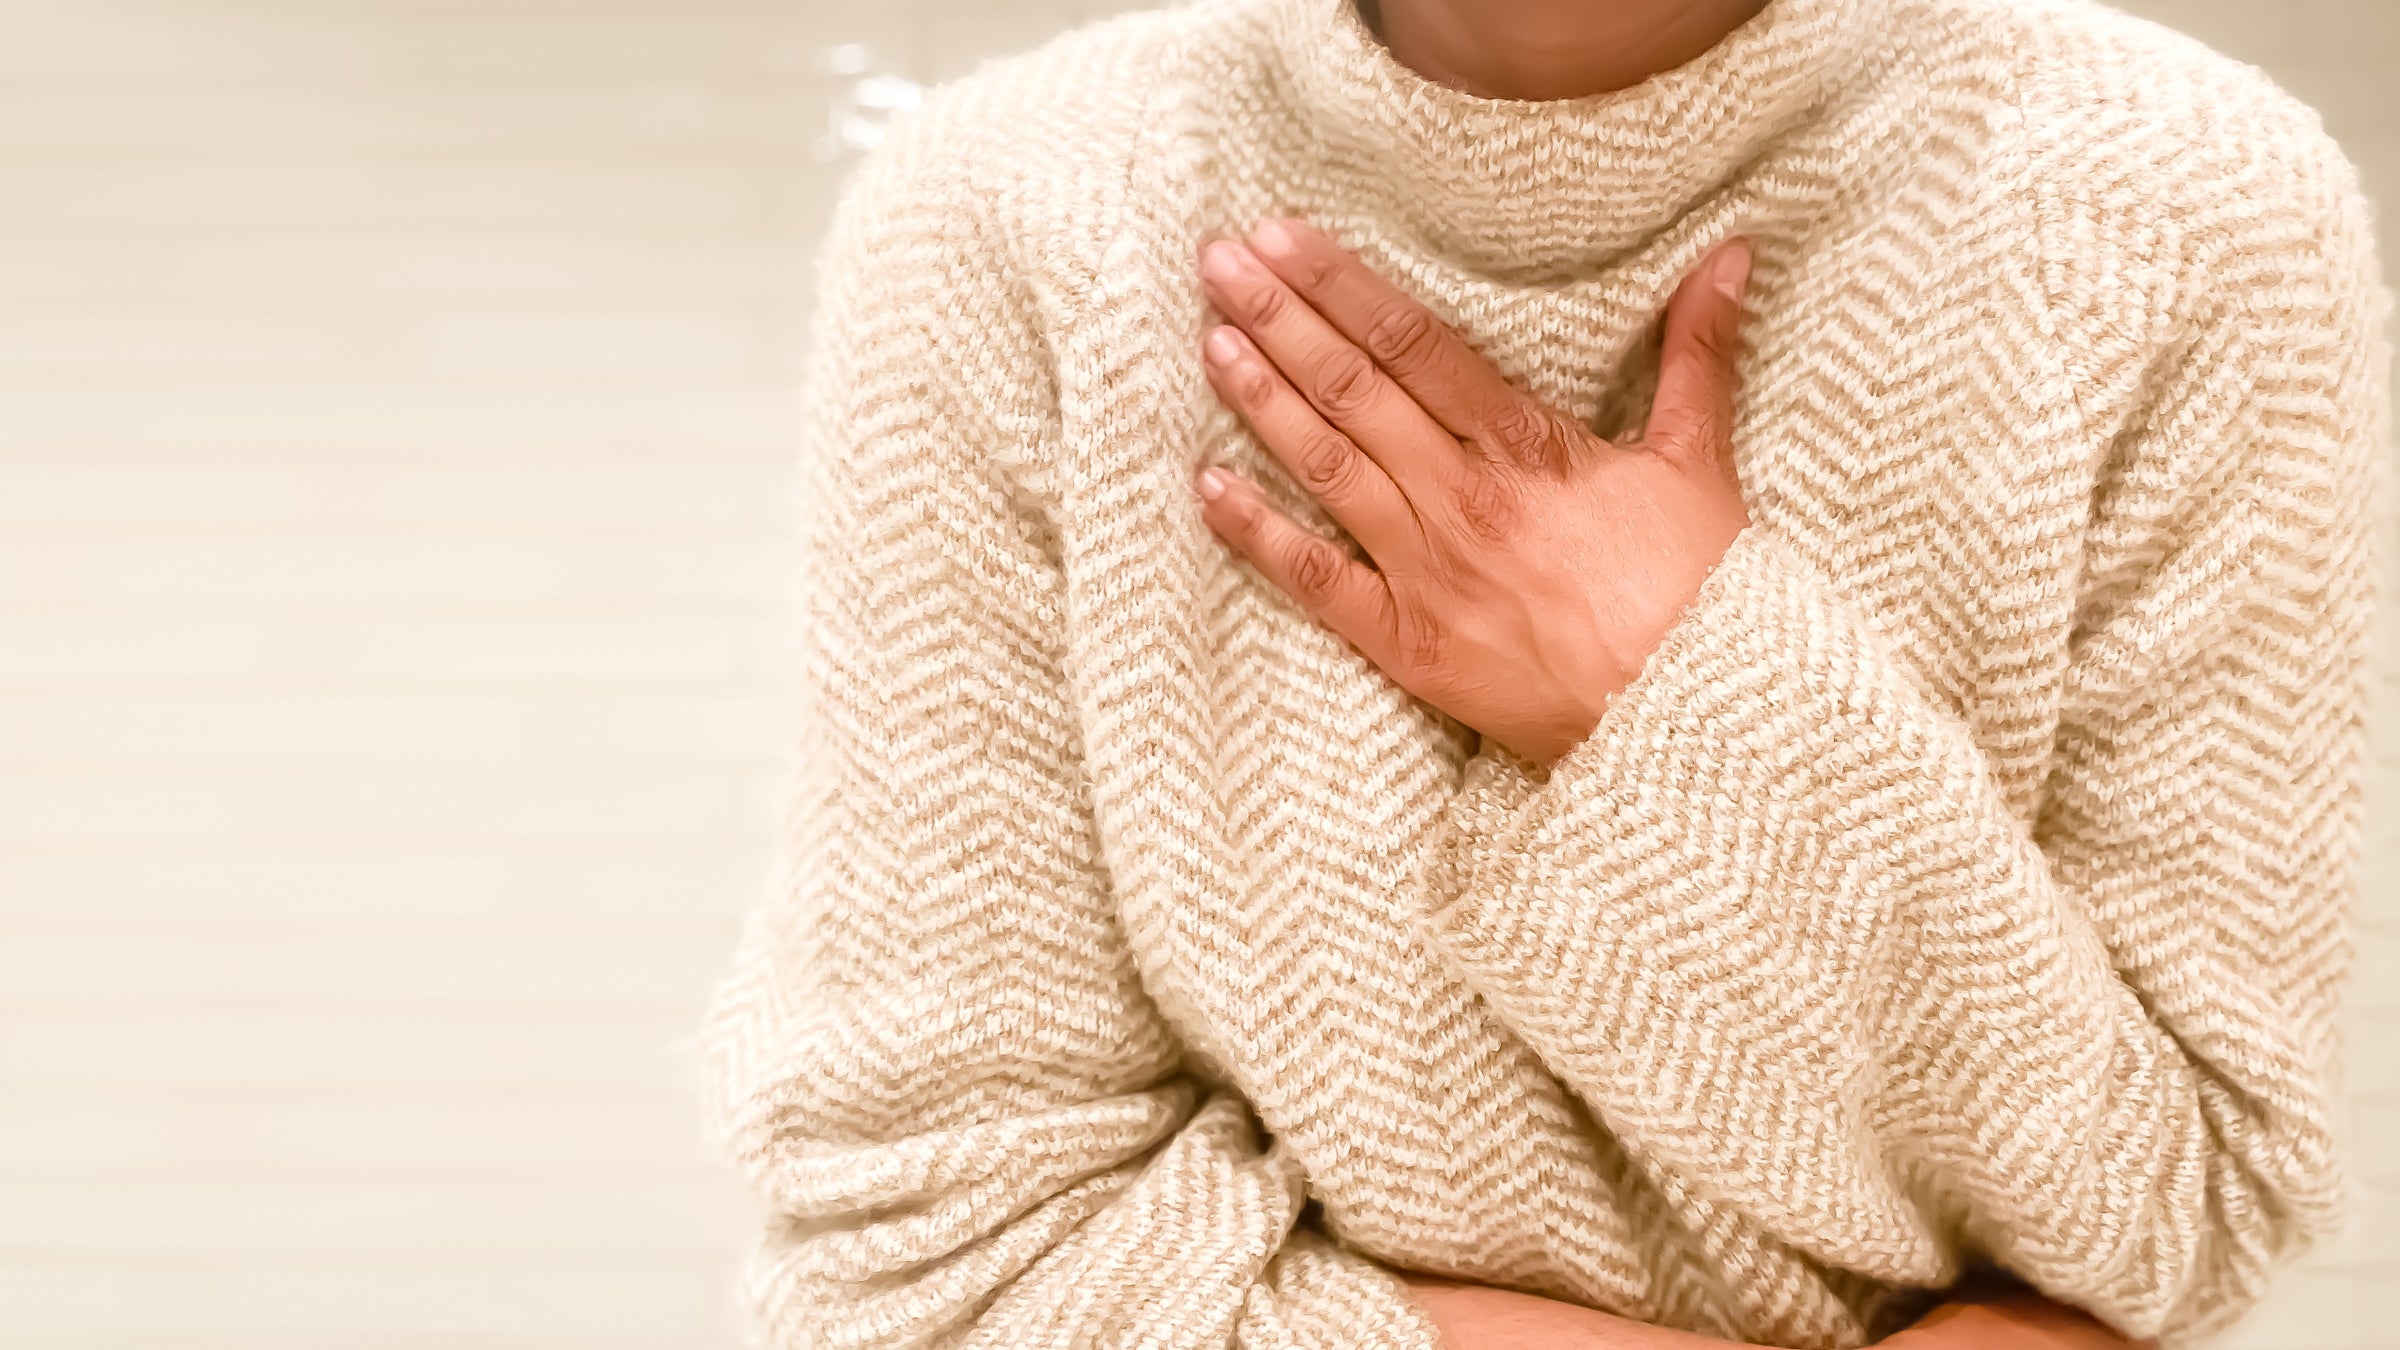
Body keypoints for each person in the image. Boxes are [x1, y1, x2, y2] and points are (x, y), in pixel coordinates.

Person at [698, 0, 2389, 1344]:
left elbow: (2185, 1208)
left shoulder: (2187, 207)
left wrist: (1660, 679)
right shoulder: (1009, 214)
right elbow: (931, 1277)